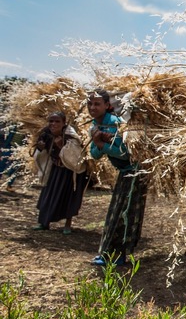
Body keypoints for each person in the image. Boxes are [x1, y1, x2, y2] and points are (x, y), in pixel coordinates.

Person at [87, 89, 147, 266]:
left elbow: (125, 153)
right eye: (90, 103)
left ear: (107, 105)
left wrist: (101, 144)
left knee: (125, 214)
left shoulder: (116, 124)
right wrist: (100, 144)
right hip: (125, 173)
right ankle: (108, 253)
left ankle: (118, 256)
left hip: (135, 172)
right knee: (115, 213)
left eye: (97, 103)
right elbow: (94, 154)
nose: (92, 107)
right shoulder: (94, 126)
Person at [32, 112, 89, 233]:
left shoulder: (70, 135)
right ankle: (43, 223)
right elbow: (40, 153)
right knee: (48, 196)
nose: (53, 124)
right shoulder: (46, 134)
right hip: (54, 170)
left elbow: (76, 156)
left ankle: (67, 225)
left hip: (70, 173)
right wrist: (40, 148)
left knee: (68, 197)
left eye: (57, 121)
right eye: (51, 121)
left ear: (64, 123)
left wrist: (62, 146)